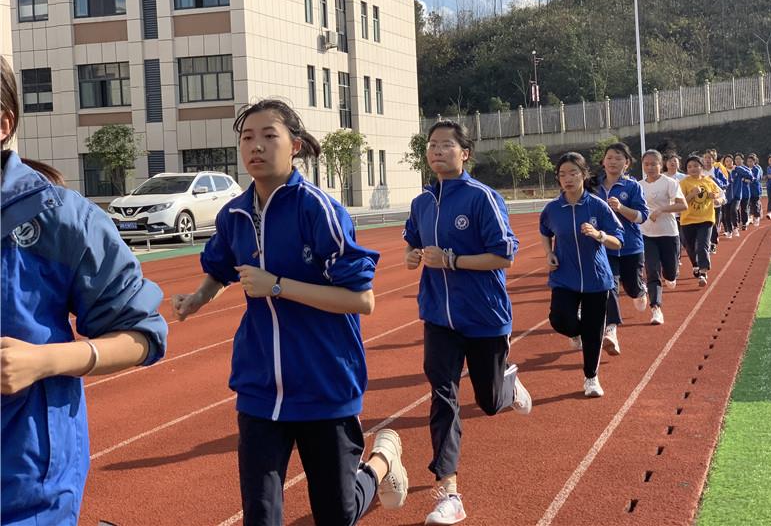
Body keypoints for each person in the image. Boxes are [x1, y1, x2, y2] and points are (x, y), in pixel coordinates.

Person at [172, 99, 407, 526]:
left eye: (269, 136)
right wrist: (198, 298)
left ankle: (380, 464)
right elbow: (219, 269)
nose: (256, 146)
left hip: (324, 384)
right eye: (247, 138)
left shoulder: (318, 210)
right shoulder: (234, 215)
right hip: (261, 384)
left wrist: (277, 285)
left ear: (295, 146)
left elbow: (361, 300)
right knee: (261, 516)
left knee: (336, 514)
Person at [1, 55, 169, 526]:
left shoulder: (63, 220)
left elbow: (143, 335)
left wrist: (44, 360)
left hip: (25, 484)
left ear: (3, 124)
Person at [403, 120, 531, 526]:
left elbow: (504, 255)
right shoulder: (422, 202)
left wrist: (452, 260)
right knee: (442, 396)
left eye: (446, 145)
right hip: (438, 317)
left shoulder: (482, 197)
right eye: (432, 145)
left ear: (465, 153)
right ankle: (449, 491)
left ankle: (507, 384)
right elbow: (412, 239)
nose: (437, 151)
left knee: (489, 403)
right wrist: (412, 255)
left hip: (483, 316)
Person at [540, 152, 624, 396]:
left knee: (593, 331)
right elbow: (545, 231)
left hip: (596, 278)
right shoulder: (553, 209)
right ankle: (577, 332)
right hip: (564, 276)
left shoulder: (597, 206)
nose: (567, 179)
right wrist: (549, 253)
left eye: (573, 173)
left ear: (584, 175)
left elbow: (618, 240)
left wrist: (599, 235)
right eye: (562, 174)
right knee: (559, 320)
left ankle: (591, 378)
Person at [591, 142, 649, 356]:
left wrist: (621, 208)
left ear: (627, 163)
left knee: (632, 287)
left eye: (618, 158)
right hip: (604, 247)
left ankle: (640, 290)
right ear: (603, 161)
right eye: (609, 157)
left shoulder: (632, 187)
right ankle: (611, 330)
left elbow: (642, 217)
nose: (613, 161)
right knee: (609, 286)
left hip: (630, 247)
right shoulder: (592, 186)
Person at [639, 150, 687, 325]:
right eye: (646, 164)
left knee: (671, 273)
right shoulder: (638, 186)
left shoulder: (670, 183)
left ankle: (671, 276)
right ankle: (656, 308)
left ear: (661, 164)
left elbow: (683, 205)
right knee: (652, 271)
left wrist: (661, 210)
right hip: (647, 234)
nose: (650, 167)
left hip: (668, 233)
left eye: (654, 164)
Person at [679, 155, 724, 287]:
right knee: (690, 246)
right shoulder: (684, 183)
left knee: (703, 245)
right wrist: (692, 194)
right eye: (689, 167)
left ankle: (703, 272)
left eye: (696, 166)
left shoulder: (708, 181)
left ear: (701, 167)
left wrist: (715, 198)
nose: (693, 169)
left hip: (706, 218)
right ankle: (696, 265)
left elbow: (720, 195)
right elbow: (680, 202)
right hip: (688, 220)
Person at [701, 150, 728, 252]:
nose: (707, 160)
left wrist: (714, 179)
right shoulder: (700, 170)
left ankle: (713, 243)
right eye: (705, 158)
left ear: (713, 160)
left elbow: (725, 183)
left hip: (715, 201)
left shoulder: (717, 171)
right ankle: (707, 242)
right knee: (705, 223)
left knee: (714, 223)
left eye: (709, 158)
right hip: (703, 202)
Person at [734, 153, 753, 230]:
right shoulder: (734, 169)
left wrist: (744, 180)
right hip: (736, 192)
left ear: (742, 160)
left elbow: (751, 179)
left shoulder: (746, 169)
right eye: (736, 159)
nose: (737, 161)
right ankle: (737, 223)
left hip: (745, 192)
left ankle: (744, 223)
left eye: (739, 159)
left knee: (744, 209)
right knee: (735, 208)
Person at [746, 153, 763, 227]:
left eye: (751, 161)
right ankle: (749, 217)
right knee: (748, 204)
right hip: (748, 190)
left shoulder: (757, 169)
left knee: (755, 204)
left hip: (755, 190)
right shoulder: (746, 169)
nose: (749, 163)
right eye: (748, 161)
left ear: (754, 162)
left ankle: (757, 217)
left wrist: (749, 180)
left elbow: (755, 178)